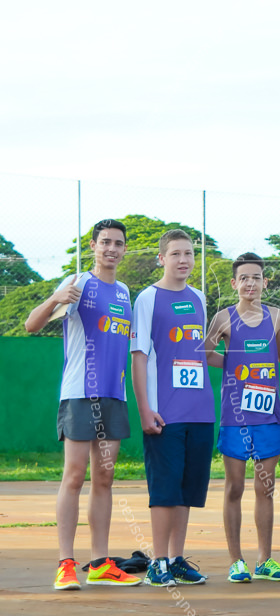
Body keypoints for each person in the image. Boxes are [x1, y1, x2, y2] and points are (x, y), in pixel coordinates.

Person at [25, 219, 141, 590]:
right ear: (92, 246)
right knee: (74, 476)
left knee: (104, 478)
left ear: (124, 250)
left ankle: (102, 563)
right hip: (79, 392)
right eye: (105, 242)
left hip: (113, 395)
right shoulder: (76, 283)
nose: (111, 248)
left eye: (118, 243)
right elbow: (31, 324)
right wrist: (54, 299)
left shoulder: (124, 291)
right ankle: (65, 564)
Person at [131, 229, 218, 586]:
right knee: (164, 489)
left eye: (189, 254)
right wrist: (145, 409)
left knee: (187, 489)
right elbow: (139, 359)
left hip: (200, 410)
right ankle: (158, 561)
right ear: (162, 258)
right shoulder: (147, 299)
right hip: (164, 412)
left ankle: (177, 559)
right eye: (176, 254)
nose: (184, 260)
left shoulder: (198, 297)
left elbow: (204, 353)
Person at [206, 252, 280, 583]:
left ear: (265, 282)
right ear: (234, 283)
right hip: (235, 417)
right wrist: (230, 363)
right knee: (234, 488)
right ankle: (236, 561)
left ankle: (265, 560)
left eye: (256, 277)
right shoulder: (223, 318)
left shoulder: (276, 316)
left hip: (268, 416)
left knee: (265, 489)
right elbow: (203, 353)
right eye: (243, 278)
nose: (250, 283)